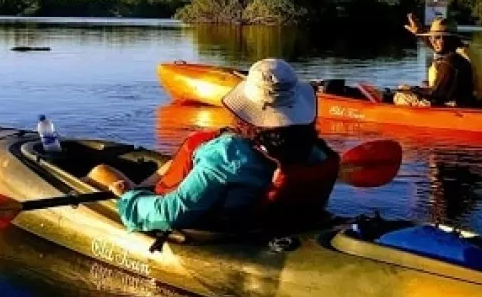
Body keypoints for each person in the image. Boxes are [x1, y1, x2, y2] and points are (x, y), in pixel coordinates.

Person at [87, 58, 340, 234]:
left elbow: (172, 213)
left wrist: (129, 197)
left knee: (100, 171)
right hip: (279, 225)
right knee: (164, 169)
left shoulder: (227, 154)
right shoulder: (315, 151)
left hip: (223, 234)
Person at [397, 15, 481, 107]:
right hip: (458, 102)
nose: (432, 41)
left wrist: (411, 89)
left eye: (437, 37)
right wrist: (419, 32)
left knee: (401, 96)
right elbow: (437, 45)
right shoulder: (456, 57)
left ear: (451, 39)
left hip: (452, 109)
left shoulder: (448, 63)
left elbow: (436, 95)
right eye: (430, 37)